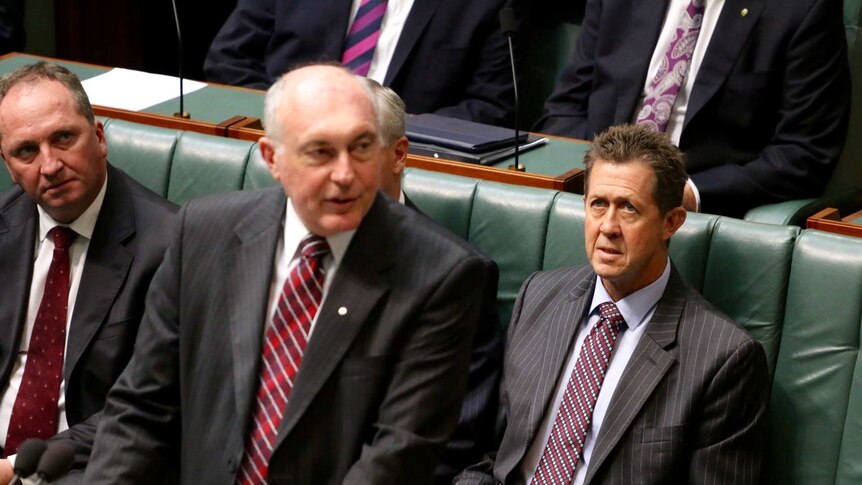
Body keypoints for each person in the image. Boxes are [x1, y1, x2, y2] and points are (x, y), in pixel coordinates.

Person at [84, 64, 491, 484]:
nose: (345, 174)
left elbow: (398, 456)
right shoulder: (203, 232)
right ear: (272, 158)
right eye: (320, 152)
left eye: (362, 147)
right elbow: (141, 409)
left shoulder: (440, 274)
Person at [457, 124, 769, 484]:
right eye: (598, 204)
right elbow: (495, 455)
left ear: (671, 222)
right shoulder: (539, 297)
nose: (607, 226)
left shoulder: (723, 359)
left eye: (628, 209)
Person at [0, 62, 178, 481]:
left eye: (64, 138)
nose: (50, 165)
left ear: (99, 138)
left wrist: (10, 470)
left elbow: (155, 405)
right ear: (8, 165)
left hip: (88, 465)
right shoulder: (4, 226)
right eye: (27, 151)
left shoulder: (169, 246)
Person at [534, 0, 851, 218]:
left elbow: (804, 154)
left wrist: (688, 194)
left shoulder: (803, 8)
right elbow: (566, 107)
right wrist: (591, 179)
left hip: (694, 206)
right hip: (592, 191)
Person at [365, 78, 504, 483]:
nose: (338, 171)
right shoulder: (291, 249)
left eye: (359, 148)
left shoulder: (459, 277)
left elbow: (455, 439)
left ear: (398, 154)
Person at [203, 0, 515, 126]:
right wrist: (292, 117)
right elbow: (229, 60)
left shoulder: (485, 4)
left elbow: (490, 106)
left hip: (400, 160)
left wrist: (387, 131)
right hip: (283, 136)